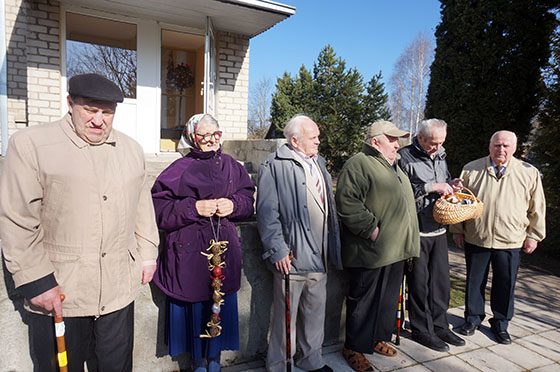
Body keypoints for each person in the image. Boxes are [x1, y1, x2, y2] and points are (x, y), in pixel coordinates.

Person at [0, 73, 160, 371]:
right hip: (60, 290)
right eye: (90, 109)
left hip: (117, 289)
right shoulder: (31, 144)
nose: (99, 120)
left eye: (107, 112)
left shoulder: (131, 149)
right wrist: (36, 281)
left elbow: (143, 208)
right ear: (70, 103)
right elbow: (18, 219)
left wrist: (148, 254)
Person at [151, 113, 255, 372]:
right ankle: (197, 363)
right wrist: (194, 207)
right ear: (192, 138)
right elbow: (159, 208)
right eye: (204, 135)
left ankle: (215, 361)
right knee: (197, 309)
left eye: (215, 134)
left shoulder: (232, 166)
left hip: (225, 253)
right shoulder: (178, 169)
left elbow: (247, 198)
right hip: (190, 256)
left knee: (218, 305)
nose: (210, 140)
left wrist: (233, 204)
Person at [257, 114, 342, 372]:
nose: (319, 141)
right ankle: (280, 364)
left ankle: (311, 359)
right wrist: (277, 249)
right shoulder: (274, 165)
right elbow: (266, 212)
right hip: (292, 255)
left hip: (321, 254)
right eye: (313, 137)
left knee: (315, 313)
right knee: (287, 320)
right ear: (295, 140)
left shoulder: (320, 163)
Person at [335, 120, 420, 371]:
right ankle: (353, 348)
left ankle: (374, 340)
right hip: (370, 252)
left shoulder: (395, 167)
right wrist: (371, 230)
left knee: (385, 301)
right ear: (375, 141)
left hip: (395, 250)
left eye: (398, 139)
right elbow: (347, 202)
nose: (398, 144)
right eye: (392, 139)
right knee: (363, 302)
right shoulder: (359, 163)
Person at [451, 130, 546, 344]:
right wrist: (457, 229)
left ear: (514, 148)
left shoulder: (528, 172)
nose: (501, 149)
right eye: (497, 145)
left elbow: (537, 207)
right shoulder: (471, 169)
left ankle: (501, 324)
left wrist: (534, 235)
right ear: (489, 146)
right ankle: (472, 319)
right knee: (475, 282)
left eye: (506, 145)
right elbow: (459, 200)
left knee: (505, 283)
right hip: (477, 236)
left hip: (511, 239)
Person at [398, 119, 465, 352]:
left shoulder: (441, 154)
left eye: (441, 143)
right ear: (421, 137)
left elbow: (442, 181)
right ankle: (421, 329)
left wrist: (450, 184)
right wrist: (432, 187)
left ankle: (440, 325)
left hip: (438, 228)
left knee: (440, 284)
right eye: (433, 143)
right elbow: (401, 193)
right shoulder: (404, 156)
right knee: (419, 284)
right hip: (416, 230)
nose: (437, 147)